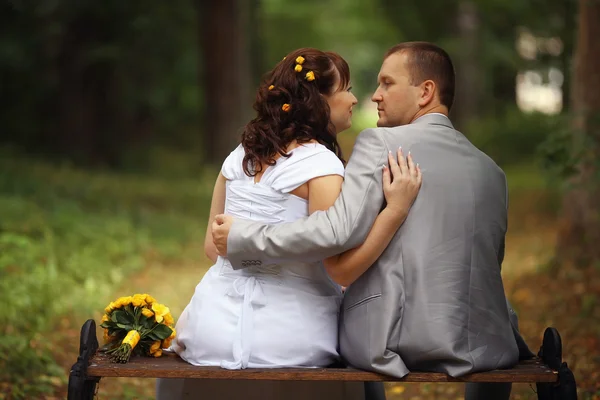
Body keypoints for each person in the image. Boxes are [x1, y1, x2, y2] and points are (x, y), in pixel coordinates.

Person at [212, 42, 534, 400]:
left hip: (392, 340)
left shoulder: (383, 143)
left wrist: (244, 237)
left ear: (426, 91)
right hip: (487, 340)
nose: (375, 96)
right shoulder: (492, 170)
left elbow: (335, 231)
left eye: (387, 84)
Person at [156, 47, 422, 400]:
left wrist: (251, 256)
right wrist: (395, 212)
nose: (355, 99)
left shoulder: (238, 157)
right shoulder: (321, 166)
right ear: (319, 101)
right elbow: (339, 266)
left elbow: (213, 248)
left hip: (211, 329)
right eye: (346, 89)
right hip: (293, 336)